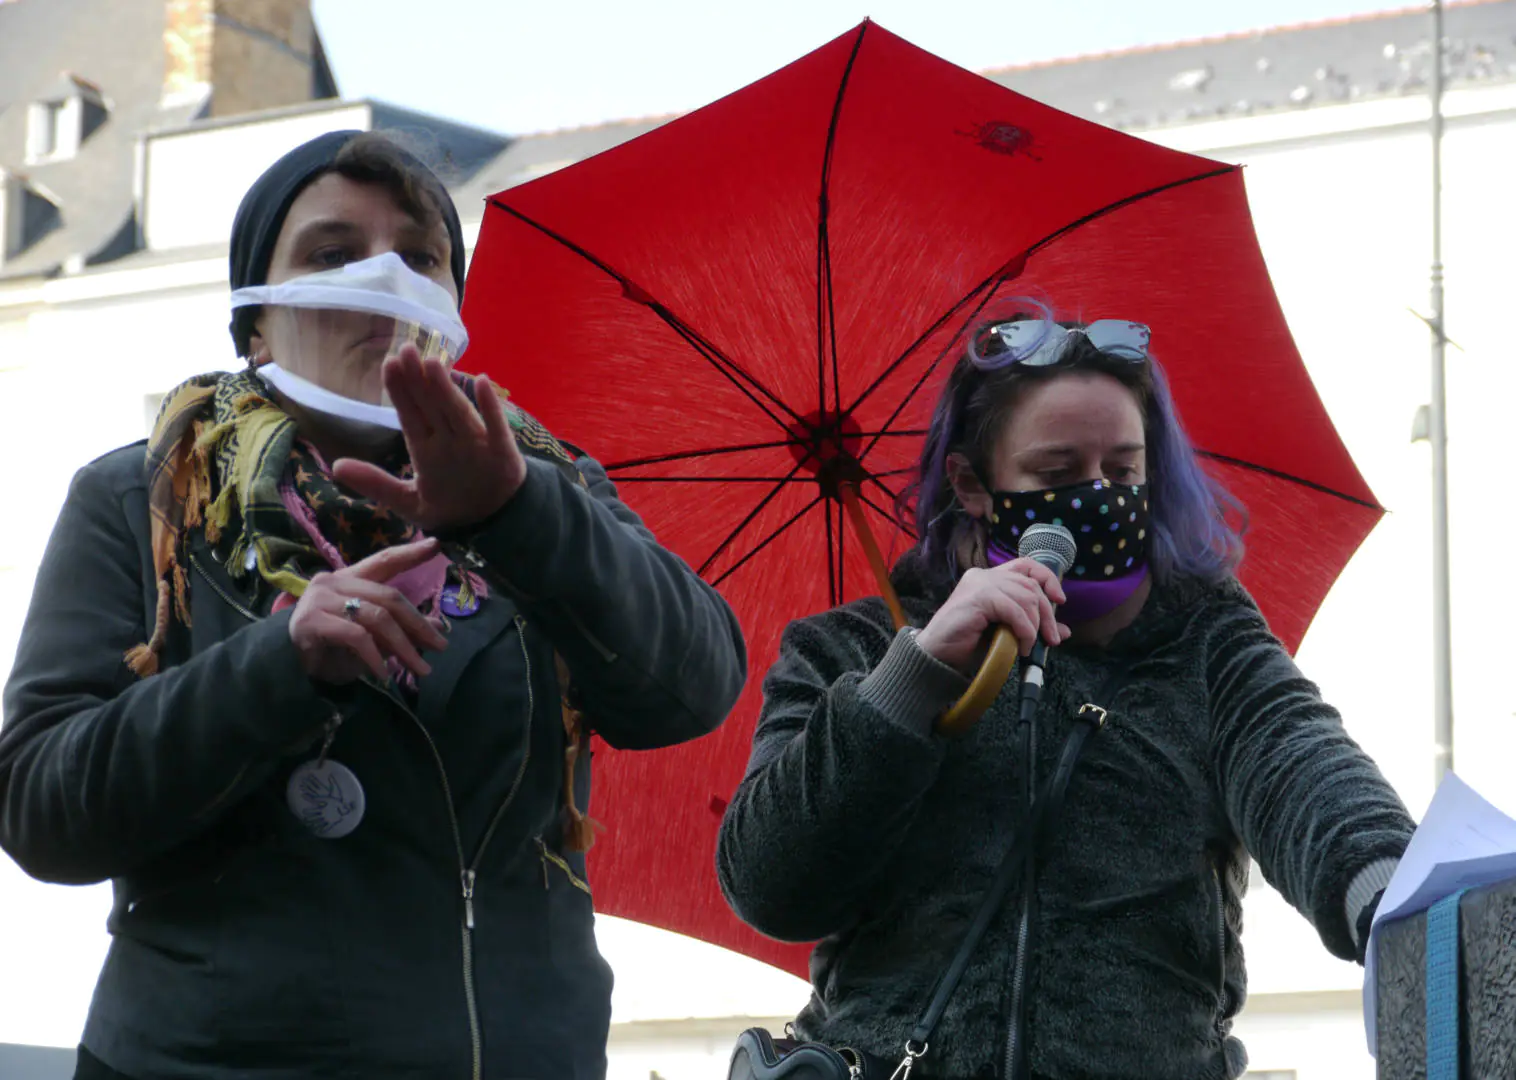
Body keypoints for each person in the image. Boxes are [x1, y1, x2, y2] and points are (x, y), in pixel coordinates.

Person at [0, 130, 746, 1080]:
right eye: (332, 253)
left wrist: (516, 516)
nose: (385, 280)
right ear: (256, 319)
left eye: (421, 256)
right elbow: (41, 805)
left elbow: (694, 686)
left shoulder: (545, 485)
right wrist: (280, 665)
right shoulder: (145, 499)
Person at [716, 305, 1413, 1080]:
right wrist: (910, 680)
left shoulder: (1208, 639)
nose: (1099, 494)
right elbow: (771, 886)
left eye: (1123, 470)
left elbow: (1302, 764)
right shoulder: (848, 647)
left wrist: (1398, 900)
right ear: (972, 484)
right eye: (1056, 474)